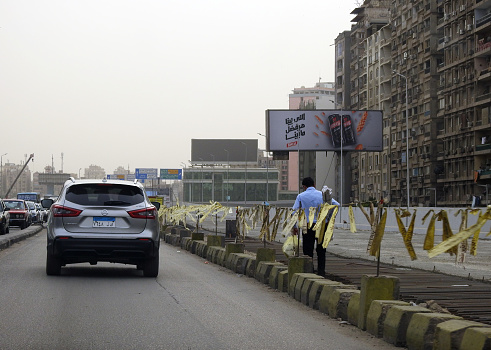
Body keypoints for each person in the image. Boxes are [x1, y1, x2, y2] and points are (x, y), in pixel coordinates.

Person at [292, 177, 328, 276]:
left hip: (307, 225)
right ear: (314, 184)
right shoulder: (322, 195)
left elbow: (294, 212)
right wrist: (328, 220)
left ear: (304, 186)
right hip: (321, 225)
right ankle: (321, 272)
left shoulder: (301, 196)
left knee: (308, 249)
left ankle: (309, 271)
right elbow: (335, 205)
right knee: (321, 249)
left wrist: (294, 226)